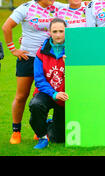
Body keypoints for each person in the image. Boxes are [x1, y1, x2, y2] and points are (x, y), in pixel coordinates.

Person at [2, 0, 65, 144]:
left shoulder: (57, 7)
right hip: (28, 57)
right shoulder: (26, 8)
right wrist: (13, 49)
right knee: (22, 96)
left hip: (50, 59)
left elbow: (76, 7)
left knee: (47, 94)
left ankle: (40, 130)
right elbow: (6, 27)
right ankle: (16, 131)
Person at [29, 18, 68, 149]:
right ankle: (41, 137)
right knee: (35, 105)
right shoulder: (41, 51)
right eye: (55, 31)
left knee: (59, 139)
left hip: (65, 95)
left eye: (61, 31)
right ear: (49, 32)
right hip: (46, 92)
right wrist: (54, 93)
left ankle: (50, 123)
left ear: (66, 31)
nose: (58, 35)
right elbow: (39, 80)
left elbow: (80, 77)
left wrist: (68, 64)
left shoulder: (73, 50)